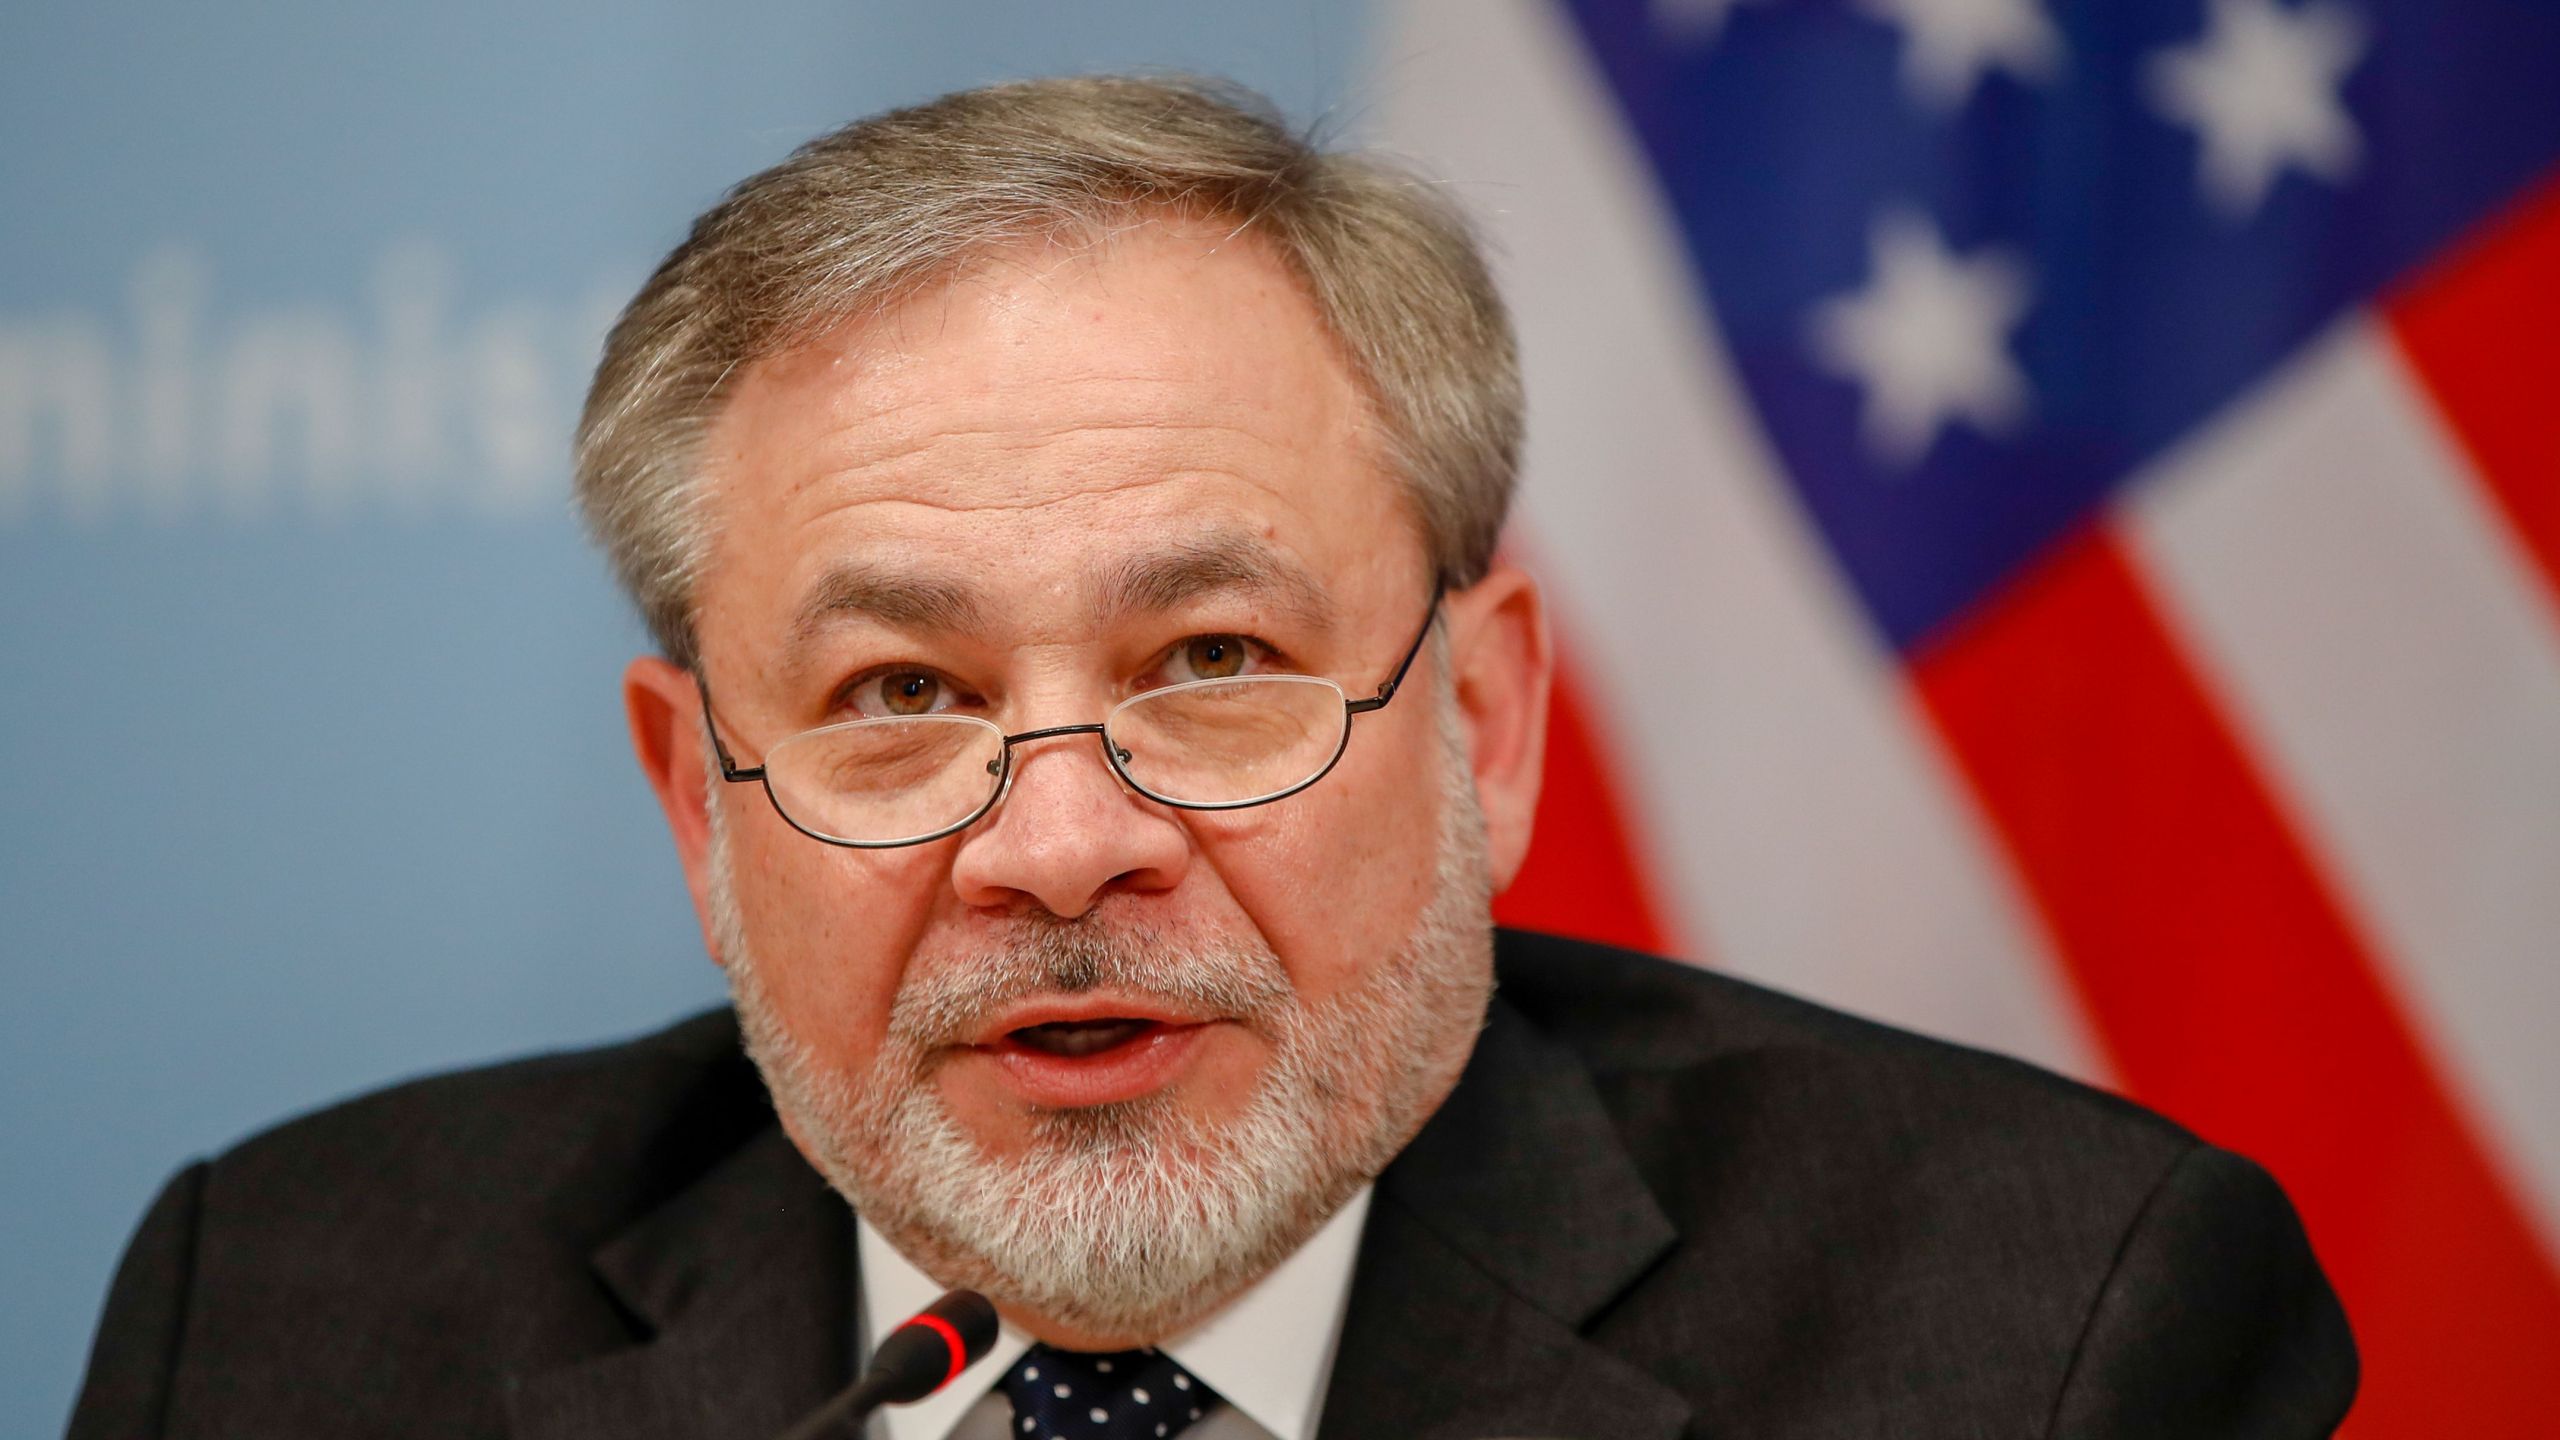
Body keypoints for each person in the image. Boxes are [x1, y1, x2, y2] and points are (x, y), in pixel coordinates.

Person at [69, 75, 2356, 1440]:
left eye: (1212, 659)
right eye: (899, 702)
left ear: (1476, 725)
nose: (1057, 845)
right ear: (695, 797)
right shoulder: (285, 1320)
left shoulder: (2047, 1335)